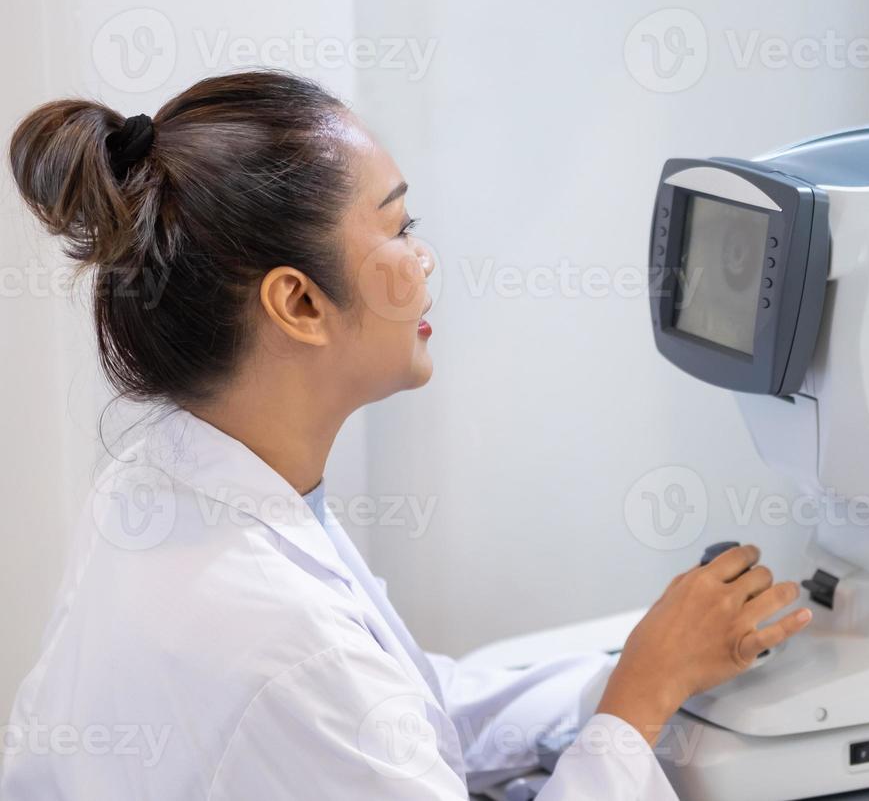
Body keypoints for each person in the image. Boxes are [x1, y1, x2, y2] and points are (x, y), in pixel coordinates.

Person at [0, 72, 812, 799]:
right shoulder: (284, 643)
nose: (424, 260)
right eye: (398, 227)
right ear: (299, 304)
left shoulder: (161, 482)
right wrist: (638, 704)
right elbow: (340, 695)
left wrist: (632, 672)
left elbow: (403, 711)